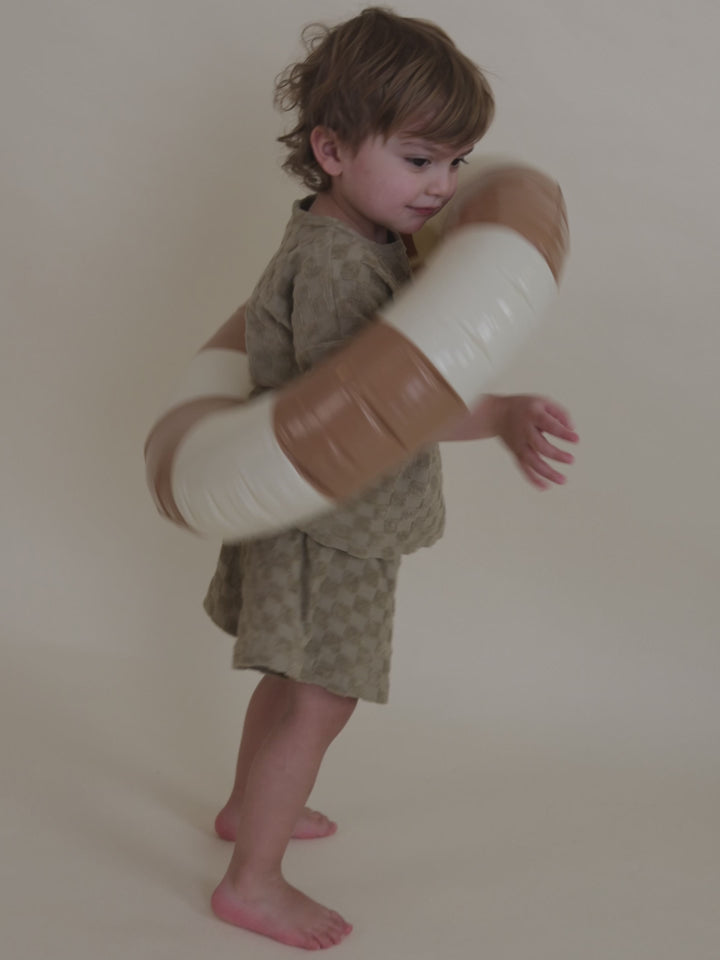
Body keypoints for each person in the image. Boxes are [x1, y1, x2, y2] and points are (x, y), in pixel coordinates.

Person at [203, 6, 578, 950]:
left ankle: (249, 812)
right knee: (320, 698)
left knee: (290, 682)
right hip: (330, 525)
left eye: (456, 163)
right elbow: (376, 408)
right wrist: (497, 415)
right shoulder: (337, 267)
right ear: (331, 150)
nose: (443, 187)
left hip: (323, 519)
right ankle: (253, 881)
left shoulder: (360, 238)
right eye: (419, 162)